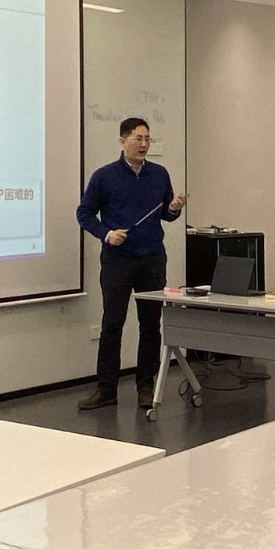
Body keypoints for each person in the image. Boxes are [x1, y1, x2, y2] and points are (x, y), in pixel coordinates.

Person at [75, 117, 186, 410]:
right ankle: (106, 389)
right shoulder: (104, 176)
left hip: (152, 259)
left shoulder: (159, 174)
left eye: (147, 139)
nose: (144, 144)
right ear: (123, 141)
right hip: (118, 260)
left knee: (150, 325)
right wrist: (107, 234)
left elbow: (165, 214)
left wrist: (174, 209)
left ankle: (145, 386)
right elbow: (84, 213)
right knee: (112, 323)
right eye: (138, 138)